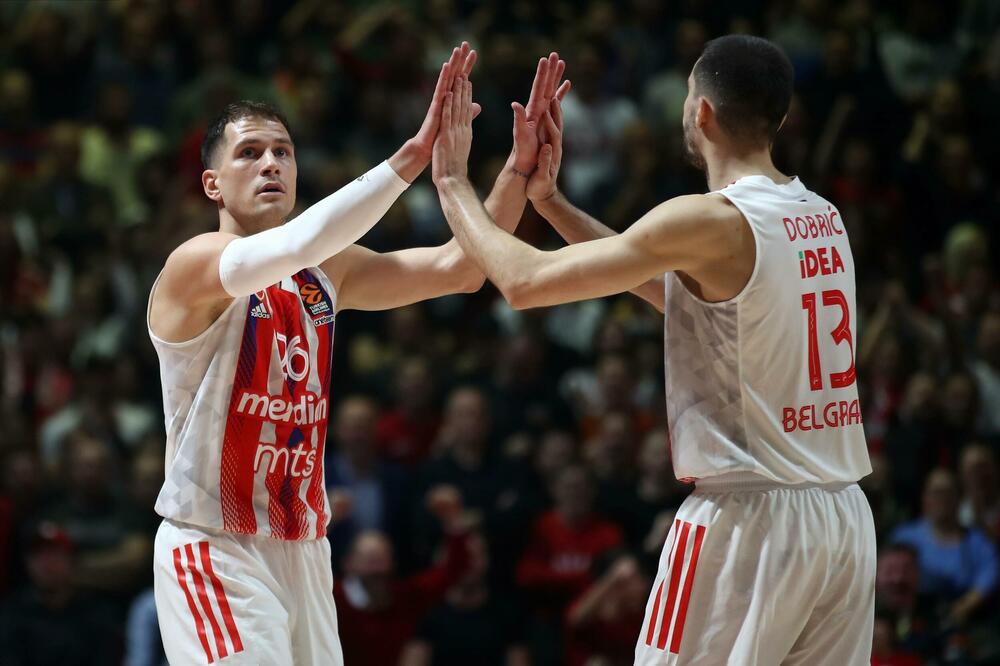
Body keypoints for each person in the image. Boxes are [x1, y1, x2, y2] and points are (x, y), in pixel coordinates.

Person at [431, 35, 875, 665]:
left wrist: (453, 184)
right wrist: (550, 203)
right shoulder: (822, 216)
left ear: (701, 113)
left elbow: (523, 282)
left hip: (748, 518)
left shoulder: (709, 219)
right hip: (841, 519)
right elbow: (687, 301)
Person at [146, 42, 569, 664]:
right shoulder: (195, 266)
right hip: (215, 545)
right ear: (212, 183)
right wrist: (414, 155)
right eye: (251, 153)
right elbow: (302, 239)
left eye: (283, 153)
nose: (271, 164)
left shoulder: (325, 271)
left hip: (305, 548)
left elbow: (460, 269)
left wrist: (516, 171)